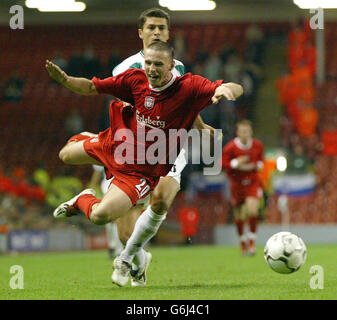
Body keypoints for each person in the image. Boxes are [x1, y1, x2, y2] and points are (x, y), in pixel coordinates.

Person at [46, 40, 243, 286]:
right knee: (64, 155)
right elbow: (90, 87)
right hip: (115, 144)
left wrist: (227, 91)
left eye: (158, 64)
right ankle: (90, 140)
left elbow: (233, 87)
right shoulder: (135, 80)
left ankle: (82, 198)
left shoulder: (189, 86)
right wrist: (65, 80)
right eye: (148, 62)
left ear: (171, 65)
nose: (151, 69)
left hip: (140, 172)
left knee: (100, 215)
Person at [87, 8, 218, 284]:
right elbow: (124, 111)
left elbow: (186, 102)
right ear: (140, 32)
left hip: (168, 146)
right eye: (151, 27)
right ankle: (138, 257)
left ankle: (126, 259)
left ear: (168, 33)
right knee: (124, 233)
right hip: (133, 151)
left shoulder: (177, 67)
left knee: (160, 201)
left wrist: (202, 127)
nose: (156, 32)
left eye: (161, 28)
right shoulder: (125, 69)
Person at [221, 119, 264, 256]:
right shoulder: (230, 147)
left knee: (252, 210)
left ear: (251, 132)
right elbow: (222, 164)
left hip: (252, 182)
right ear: (238, 133)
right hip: (237, 184)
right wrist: (235, 163)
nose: (245, 134)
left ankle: (251, 242)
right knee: (239, 214)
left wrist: (259, 165)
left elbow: (261, 160)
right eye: (242, 131)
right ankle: (242, 242)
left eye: (247, 131)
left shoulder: (257, 145)